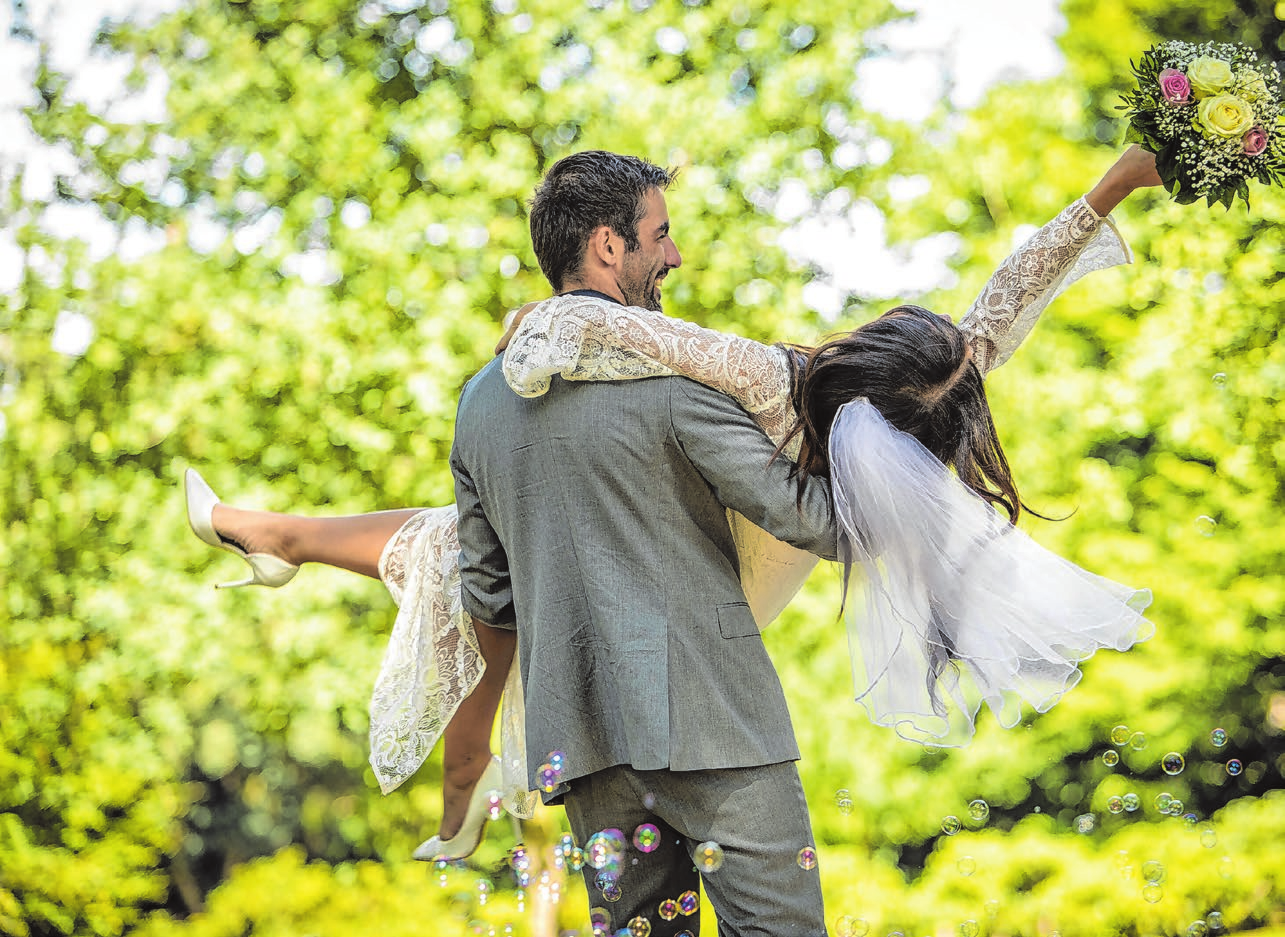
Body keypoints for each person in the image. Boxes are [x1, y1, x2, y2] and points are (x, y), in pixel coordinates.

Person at [184, 145, 1163, 873]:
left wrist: (547, 319)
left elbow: (669, 342)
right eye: (661, 235)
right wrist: (1110, 189)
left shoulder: (779, 378)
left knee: (476, 545)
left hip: (687, 585)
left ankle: (325, 586)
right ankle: (283, 542)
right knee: (466, 540)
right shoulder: (932, 399)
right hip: (727, 581)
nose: (676, 254)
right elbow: (1000, 312)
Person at [450, 150, 841, 933]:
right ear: (606, 245)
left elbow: (489, 596)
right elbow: (812, 519)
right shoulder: (669, 381)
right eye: (659, 235)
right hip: (715, 719)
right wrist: (909, 470)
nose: (673, 255)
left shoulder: (479, 402)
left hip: (584, 746)